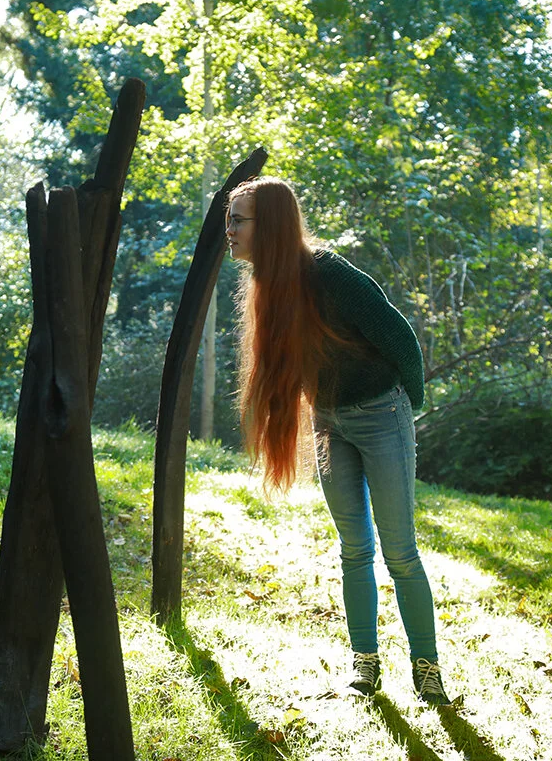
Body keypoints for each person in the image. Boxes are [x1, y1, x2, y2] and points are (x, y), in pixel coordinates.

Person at [225, 176, 451, 706]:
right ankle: (366, 668)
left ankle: (427, 671)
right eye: (229, 221)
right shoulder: (268, 282)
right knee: (354, 551)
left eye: (238, 220)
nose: (229, 231)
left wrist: (403, 409)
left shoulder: (333, 276)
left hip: (381, 416)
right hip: (330, 422)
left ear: (272, 225)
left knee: (400, 552)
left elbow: (402, 340)